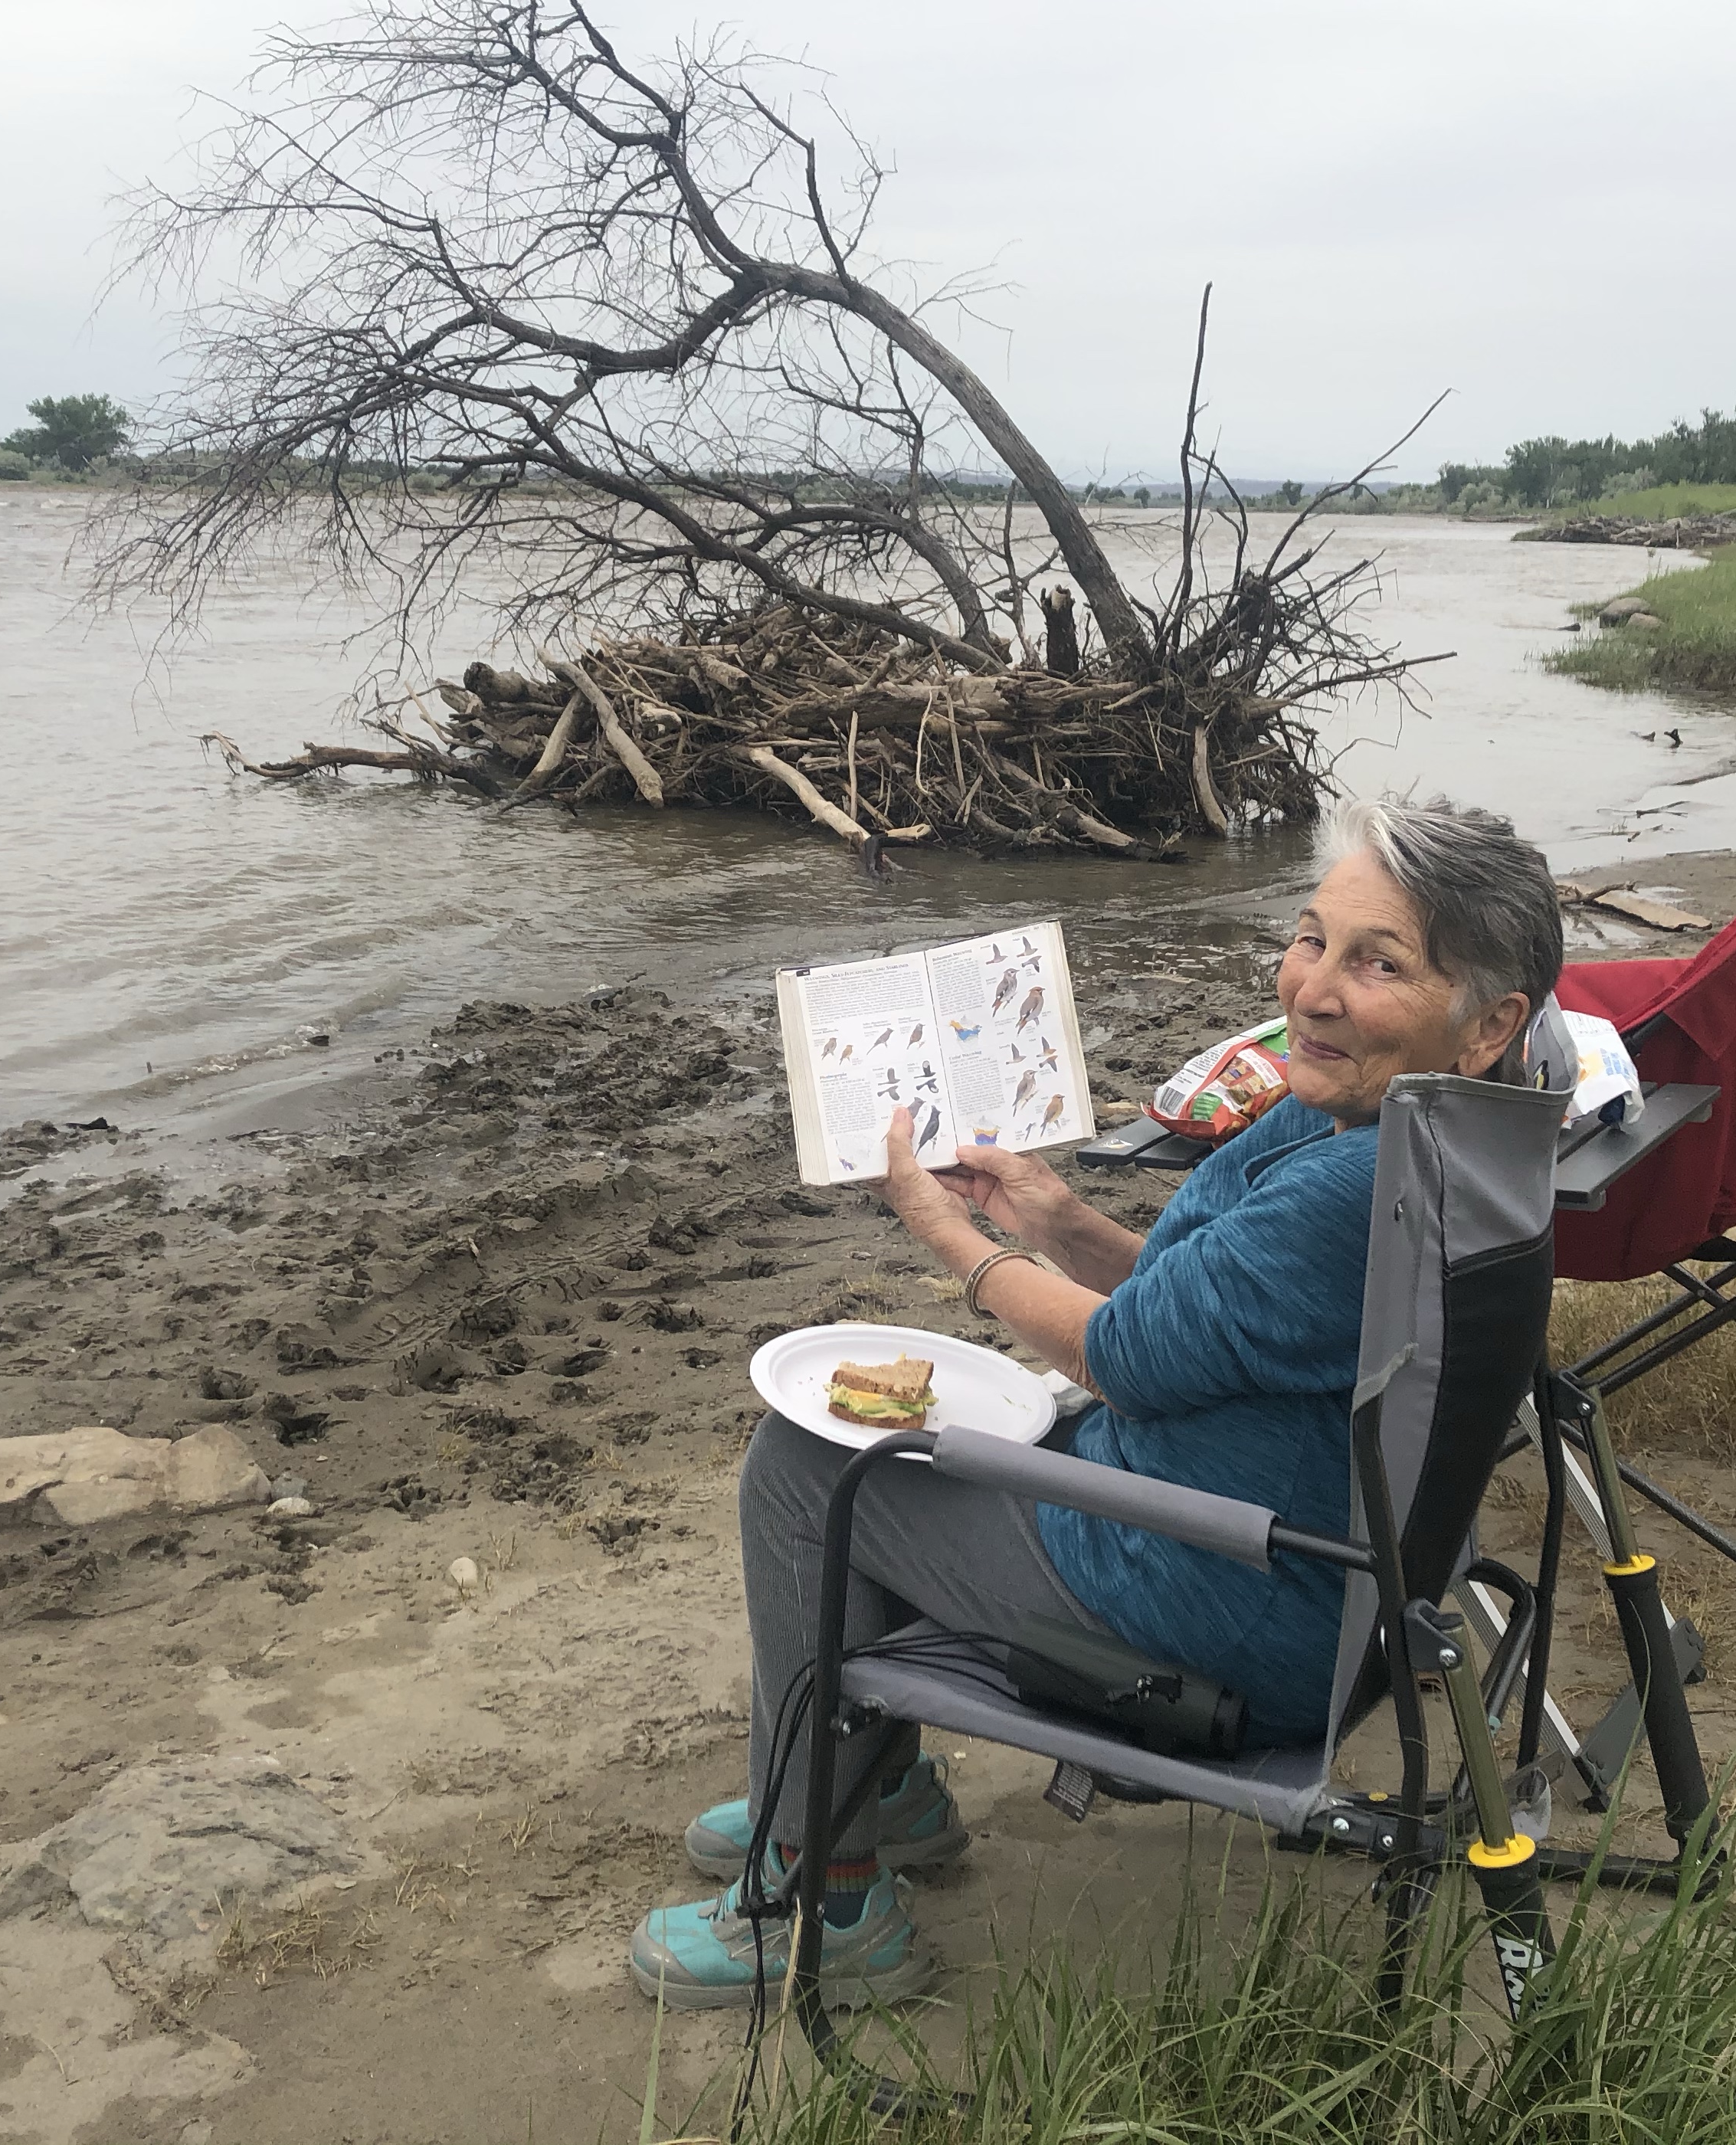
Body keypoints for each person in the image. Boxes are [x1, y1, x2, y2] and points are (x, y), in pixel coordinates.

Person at [629, 794, 1569, 2008]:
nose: (1313, 989)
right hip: (1304, 1557)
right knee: (893, 1437)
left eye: (1378, 964)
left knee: (808, 1470)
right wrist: (1052, 1215)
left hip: (1233, 1594)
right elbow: (1205, 1312)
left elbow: (1123, 1355)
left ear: (1488, 1023)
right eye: (1311, 938)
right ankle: (874, 1788)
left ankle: (823, 1897)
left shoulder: (1357, 1185)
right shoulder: (1421, 1131)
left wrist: (948, 1233)